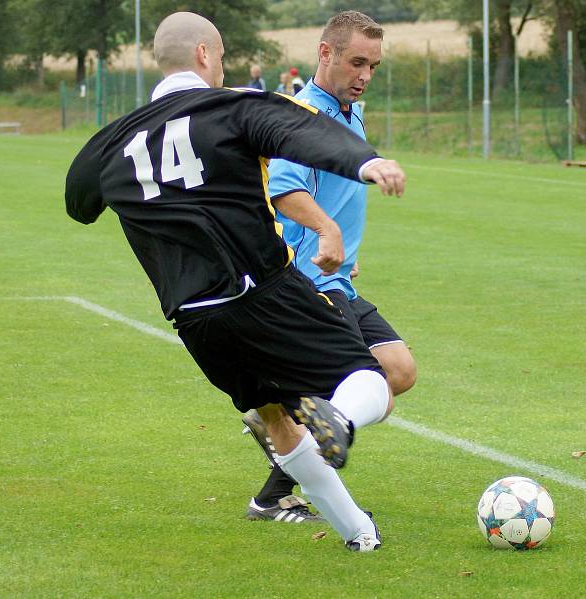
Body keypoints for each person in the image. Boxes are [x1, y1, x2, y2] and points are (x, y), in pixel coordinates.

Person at [64, 11, 407, 552]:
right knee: (372, 382)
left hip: (195, 322)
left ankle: (359, 535)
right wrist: (366, 163)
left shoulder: (114, 142)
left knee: (276, 419)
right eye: (219, 58)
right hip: (262, 291)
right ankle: (339, 418)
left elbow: (78, 203)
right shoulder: (232, 107)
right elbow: (301, 131)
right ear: (204, 55)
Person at [241, 10, 417, 525]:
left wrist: (345, 246)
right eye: (356, 62)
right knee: (356, 393)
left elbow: (335, 189)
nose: (365, 75)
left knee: (398, 372)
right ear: (325, 53)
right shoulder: (300, 116)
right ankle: (281, 459)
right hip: (307, 279)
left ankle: (279, 413)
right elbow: (285, 190)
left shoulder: (349, 111)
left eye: (374, 66)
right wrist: (327, 231)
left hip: (337, 275)